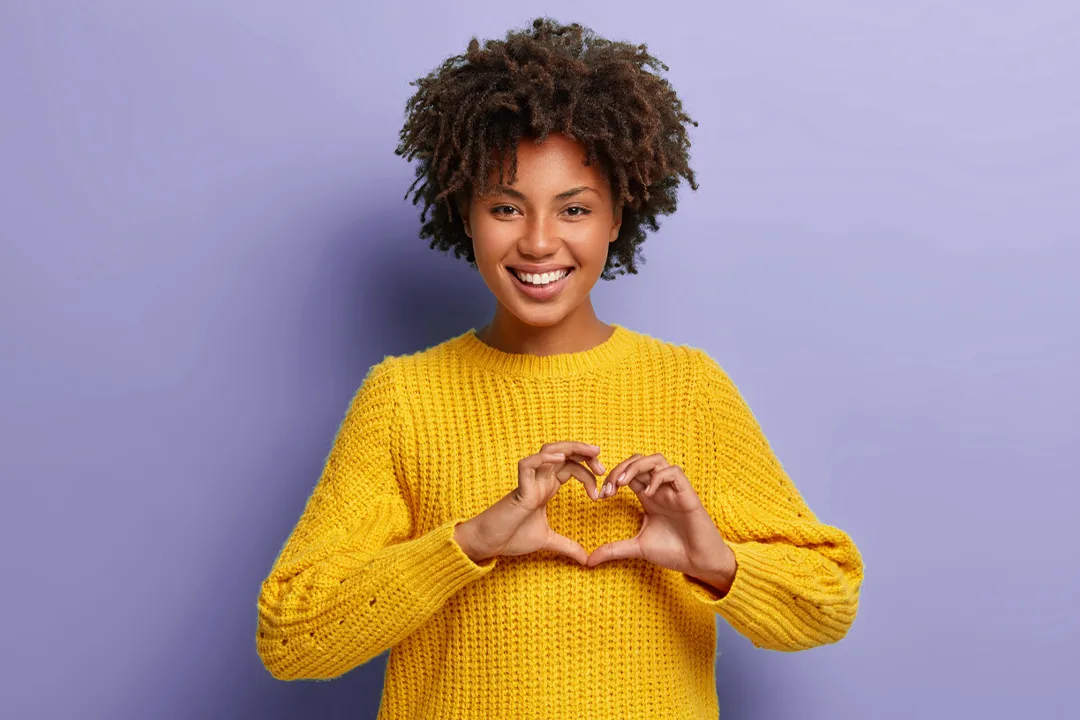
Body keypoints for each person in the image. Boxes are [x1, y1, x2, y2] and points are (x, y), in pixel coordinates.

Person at [256, 16, 864, 719]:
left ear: (617, 217)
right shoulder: (403, 398)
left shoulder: (688, 389)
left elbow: (827, 599)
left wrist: (712, 558)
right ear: (465, 214)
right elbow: (291, 637)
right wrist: (469, 542)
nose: (539, 242)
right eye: (506, 207)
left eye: (574, 209)